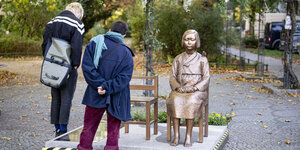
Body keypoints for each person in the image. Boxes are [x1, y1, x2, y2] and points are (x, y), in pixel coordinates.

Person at [77, 20, 134, 150]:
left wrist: (100, 85)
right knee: (113, 128)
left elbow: (87, 68)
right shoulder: (126, 53)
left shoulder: (93, 44)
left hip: (94, 91)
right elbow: (124, 78)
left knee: (89, 125)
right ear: (124, 35)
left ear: (110, 29)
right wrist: (107, 86)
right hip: (116, 94)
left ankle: (84, 147)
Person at [41, 2, 85, 137]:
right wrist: (76, 64)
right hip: (68, 66)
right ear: (78, 12)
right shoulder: (77, 24)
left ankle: (56, 127)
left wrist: (48, 59)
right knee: (66, 97)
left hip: (52, 64)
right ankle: (63, 129)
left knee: (55, 96)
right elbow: (76, 46)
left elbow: (44, 42)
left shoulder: (52, 21)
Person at [167, 29, 210, 147]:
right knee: (175, 100)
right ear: (183, 41)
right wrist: (177, 87)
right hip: (180, 90)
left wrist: (195, 87)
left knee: (191, 101)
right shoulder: (178, 58)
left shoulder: (202, 59)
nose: (189, 42)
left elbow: (206, 78)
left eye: (192, 40)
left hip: (196, 91)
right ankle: (176, 135)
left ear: (197, 41)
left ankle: (188, 136)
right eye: (186, 39)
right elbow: (172, 77)